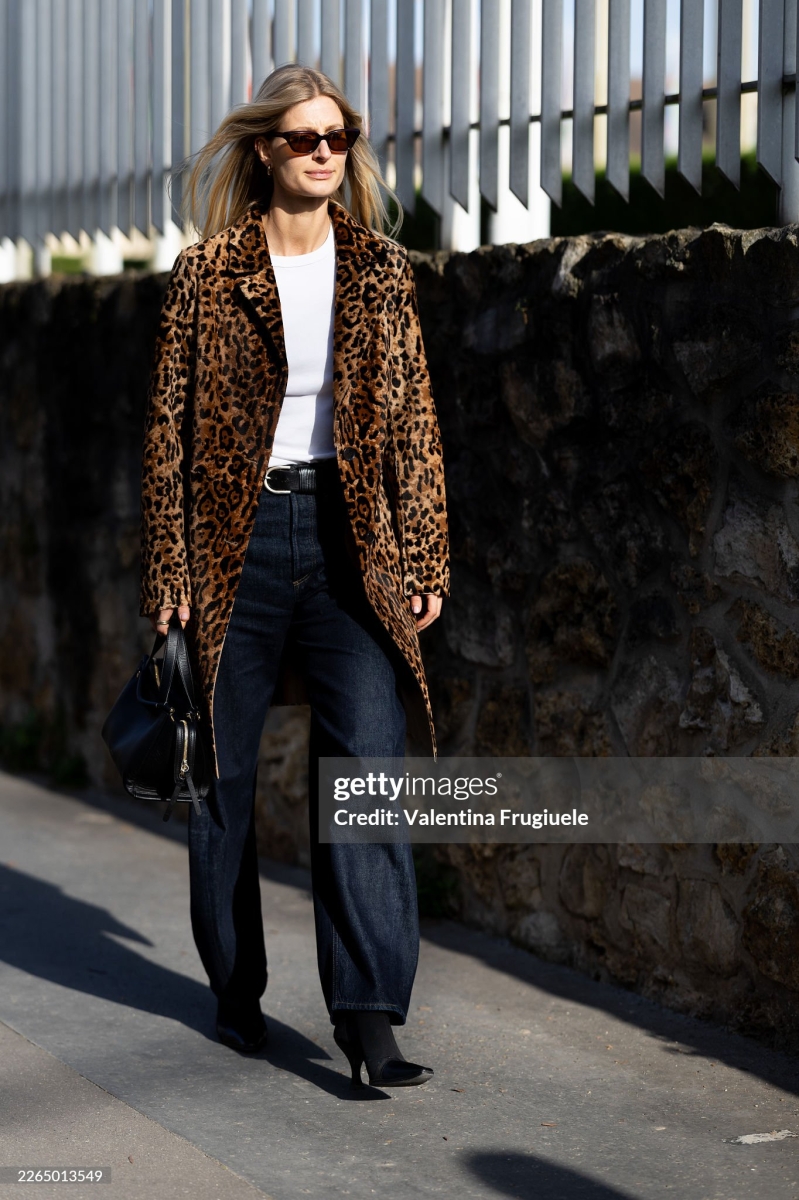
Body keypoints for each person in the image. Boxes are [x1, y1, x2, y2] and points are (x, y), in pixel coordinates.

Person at [139, 63, 449, 1089]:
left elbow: (413, 421)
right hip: (235, 545)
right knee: (220, 780)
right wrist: (169, 571)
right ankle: (236, 990)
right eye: (306, 137)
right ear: (266, 149)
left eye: (339, 137)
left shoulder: (381, 270)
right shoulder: (206, 274)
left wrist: (424, 552)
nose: (326, 152)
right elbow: (167, 435)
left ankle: (368, 1017)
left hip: (351, 542)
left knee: (365, 769)